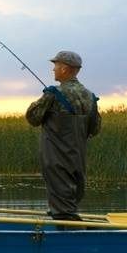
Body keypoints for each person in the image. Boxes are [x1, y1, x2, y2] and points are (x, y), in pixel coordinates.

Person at [26, 51, 101, 221]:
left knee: (63, 211)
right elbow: (95, 129)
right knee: (70, 201)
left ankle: (67, 235)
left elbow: (33, 118)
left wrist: (39, 102)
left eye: (56, 66)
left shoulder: (53, 93)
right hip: (77, 159)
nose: (53, 70)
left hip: (56, 159)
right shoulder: (90, 97)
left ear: (65, 69)